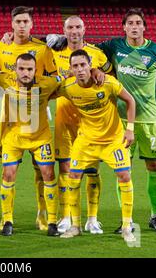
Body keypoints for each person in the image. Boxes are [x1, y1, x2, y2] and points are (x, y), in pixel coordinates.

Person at [47, 8, 156, 234]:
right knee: (118, 170)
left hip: (147, 119)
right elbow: (87, 54)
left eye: (138, 23)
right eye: (130, 23)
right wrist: (47, 39)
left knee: (153, 166)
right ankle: (119, 221)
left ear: (144, 26)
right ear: (124, 27)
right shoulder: (114, 46)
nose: (134, 27)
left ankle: (155, 215)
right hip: (115, 120)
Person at [0, 53, 61, 237]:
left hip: (40, 137)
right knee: (8, 174)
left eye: (29, 69)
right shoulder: (7, 79)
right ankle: (7, 221)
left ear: (35, 70)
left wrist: (93, 71)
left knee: (48, 174)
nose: (25, 73)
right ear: (16, 69)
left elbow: (67, 79)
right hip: (14, 138)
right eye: (21, 69)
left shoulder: (47, 83)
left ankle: (52, 221)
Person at [0, 6, 57, 232]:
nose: (21, 25)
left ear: (31, 24)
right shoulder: (1, 46)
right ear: (12, 24)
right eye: (17, 21)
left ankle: (42, 215)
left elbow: (53, 76)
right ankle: (6, 218)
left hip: (38, 109)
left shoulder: (41, 48)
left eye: (25, 21)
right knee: (8, 169)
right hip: (10, 113)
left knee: (42, 169)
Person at [58, 49, 136, 243]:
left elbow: (130, 100)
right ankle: (75, 226)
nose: (80, 69)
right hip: (86, 140)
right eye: (75, 66)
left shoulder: (107, 82)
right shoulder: (68, 87)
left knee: (124, 175)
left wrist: (130, 129)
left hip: (113, 139)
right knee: (73, 176)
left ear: (90, 65)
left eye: (83, 65)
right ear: (71, 69)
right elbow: (47, 92)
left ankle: (127, 226)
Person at [51, 15, 112, 234]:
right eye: (70, 27)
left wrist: (99, 71)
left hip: (91, 122)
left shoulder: (96, 54)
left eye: (78, 27)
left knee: (92, 169)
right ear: (64, 31)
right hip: (64, 119)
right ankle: (66, 215)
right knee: (65, 168)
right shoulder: (54, 52)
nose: (74, 31)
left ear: (84, 29)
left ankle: (92, 218)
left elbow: (110, 76)